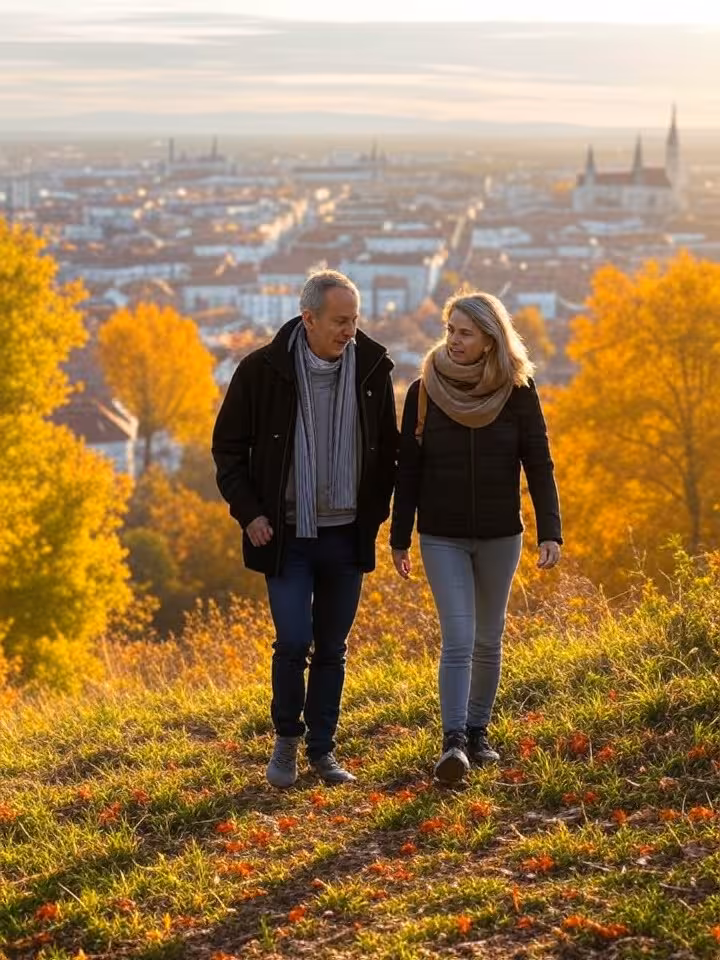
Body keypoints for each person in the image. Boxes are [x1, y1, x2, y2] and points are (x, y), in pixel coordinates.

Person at [212, 270, 398, 788]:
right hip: (287, 536)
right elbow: (228, 450)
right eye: (339, 321)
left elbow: (388, 451)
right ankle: (286, 742)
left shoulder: (372, 370)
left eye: (354, 320)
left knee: (332, 648)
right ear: (308, 318)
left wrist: (376, 515)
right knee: (294, 641)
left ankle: (323, 750)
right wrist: (251, 513)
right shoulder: (260, 371)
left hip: (346, 535)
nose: (349, 331)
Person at [390, 291, 562, 784]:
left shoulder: (518, 391)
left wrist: (550, 530)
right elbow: (408, 469)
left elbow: (539, 463)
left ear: (490, 339)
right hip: (440, 535)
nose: (454, 340)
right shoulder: (424, 390)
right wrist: (399, 537)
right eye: (450, 330)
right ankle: (453, 742)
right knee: (459, 638)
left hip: (500, 534)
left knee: (489, 637)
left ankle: (478, 732)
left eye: (465, 333)